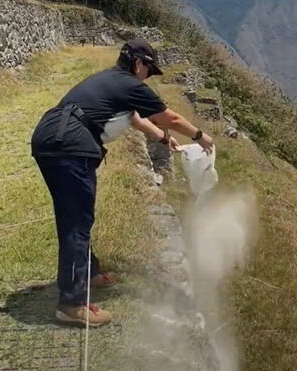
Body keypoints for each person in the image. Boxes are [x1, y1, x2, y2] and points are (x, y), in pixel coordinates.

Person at [31, 39, 214, 327]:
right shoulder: (129, 84)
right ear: (139, 63)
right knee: (77, 222)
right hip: (68, 146)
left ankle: (88, 273)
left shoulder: (111, 81)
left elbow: (136, 120)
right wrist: (201, 137)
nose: (148, 77)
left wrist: (164, 139)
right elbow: (170, 116)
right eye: (149, 71)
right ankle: (72, 304)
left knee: (74, 217)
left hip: (52, 138)